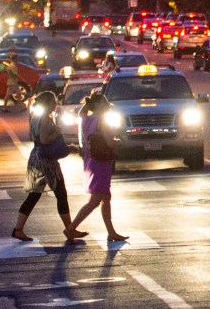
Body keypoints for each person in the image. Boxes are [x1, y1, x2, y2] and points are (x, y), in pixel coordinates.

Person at [11, 92, 87, 242]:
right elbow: (45, 139)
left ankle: (18, 229)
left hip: (37, 157)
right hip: (47, 161)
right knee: (60, 193)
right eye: (53, 102)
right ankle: (70, 230)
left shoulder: (35, 117)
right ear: (47, 103)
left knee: (35, 194)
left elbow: (34, 136)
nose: (55, 104)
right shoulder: (45, 119)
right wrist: (57, 131)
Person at [64, 94, 128, 243]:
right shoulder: (102, 121)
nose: (107, 104)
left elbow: (81, 112)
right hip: (101, 161)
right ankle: (71, 228)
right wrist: (119, 142)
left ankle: (111, 231)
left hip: (91, 160)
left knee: (105, 196)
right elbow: (110, 142)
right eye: (104, 102)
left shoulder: (86, 119)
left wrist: (89, 102)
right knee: (96, 199)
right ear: (99, 104)